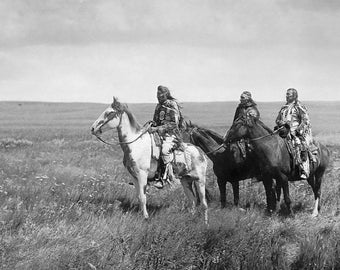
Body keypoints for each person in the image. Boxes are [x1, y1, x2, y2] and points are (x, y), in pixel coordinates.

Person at [275, 88, 315, 179]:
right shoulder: (284, 107)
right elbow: (277, 119)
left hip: (295, 131)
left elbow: (305, 119)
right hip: (283, 130)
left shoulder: (299, 106)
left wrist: (297, 130)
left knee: (298, 144)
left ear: (294, 96)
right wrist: (280, 122)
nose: (286, 95)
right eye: (286, 94)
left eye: (288, 94)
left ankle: (303, 169)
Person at [148, 85, 182, 188]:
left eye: (160, 94)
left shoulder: (172, 105)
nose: (158, 96)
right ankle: (148, 177)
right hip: (158, 134)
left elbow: (174, 124)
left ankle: (165, 178)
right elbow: (155, 121)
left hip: (171, 134)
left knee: (164, 150)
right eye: (157, 95)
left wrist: (157, 128)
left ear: (166, 94)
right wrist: (151, 126)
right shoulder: (158, 106)